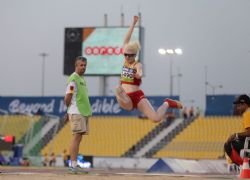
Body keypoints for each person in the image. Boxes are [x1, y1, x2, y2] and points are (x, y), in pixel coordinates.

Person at [115, 16, 183, 123]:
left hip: (137, 95)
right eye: (126, 55)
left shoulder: (137, 65)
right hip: (126, 97)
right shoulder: (125, 61)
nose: (127, 57)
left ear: (135, 55)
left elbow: (140, 72)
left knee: (156, 118)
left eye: (130, 55)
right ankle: (120, 94)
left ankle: (167, 103)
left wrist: (138, 75)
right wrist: (133, 23)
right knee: (121, 94)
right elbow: (126, 40)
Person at [64, 56, 92, 173]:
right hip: (76, 111)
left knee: (78, 137)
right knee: (76, 137)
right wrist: (68, 110)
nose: (83, 67)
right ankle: (73, 165)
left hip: (82, 112)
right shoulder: (73, 79)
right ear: (76, 66)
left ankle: (75, 164)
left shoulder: (81, 79)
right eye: (81, 65)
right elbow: (68, 96)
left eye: (85, 65)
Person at [224, 94, 250, 168]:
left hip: (249, 143)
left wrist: (235, 135)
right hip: (247, 141)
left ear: (244, 104)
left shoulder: (247, 114)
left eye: (239, 106)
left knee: (228, 144)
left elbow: (249, 132)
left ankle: (242, 165)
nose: (237, 108)